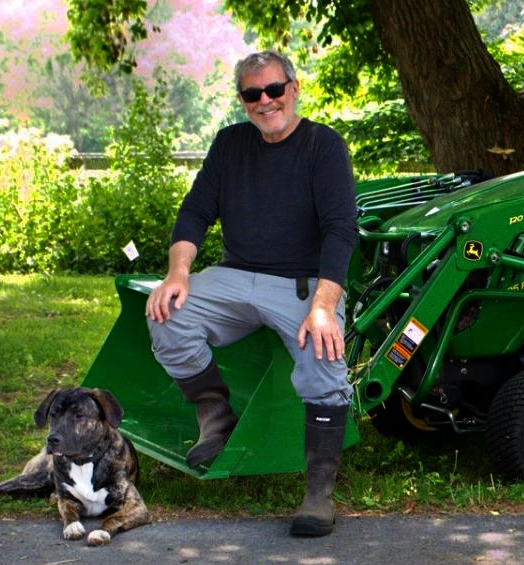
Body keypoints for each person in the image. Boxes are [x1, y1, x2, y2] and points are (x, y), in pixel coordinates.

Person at [145, 50, 358, 538]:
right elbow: (195, 211)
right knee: (166, 314)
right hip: (236, 276)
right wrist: (178, 274)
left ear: (293, 87)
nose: (265, 101)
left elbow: (341, 230)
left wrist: (324, 307)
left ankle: (318, 492)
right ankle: (215, 419)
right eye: (252, 93)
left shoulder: (323, 147)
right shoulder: (230, 144)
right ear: (242, 100)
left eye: (274, 90)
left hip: (304, 283)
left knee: (323, 357)